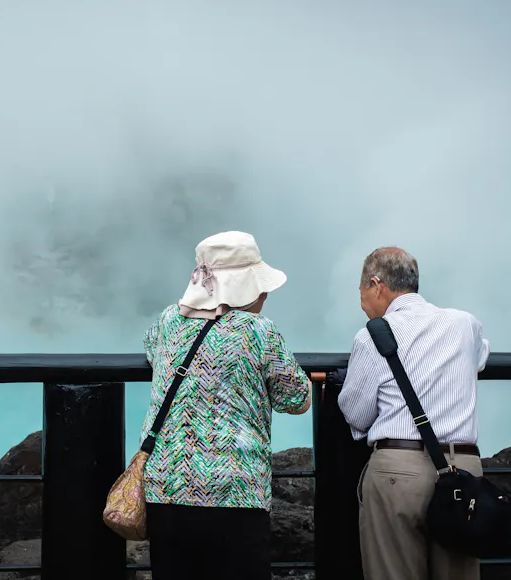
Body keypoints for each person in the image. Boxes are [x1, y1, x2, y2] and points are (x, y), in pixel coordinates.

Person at [140, 230, 311, 580]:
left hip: (166, 490)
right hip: (233, 492)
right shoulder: (259, 331)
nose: (264, 292)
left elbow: (152, 353)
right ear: (244, 286)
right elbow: (296, 399)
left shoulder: (168, 321)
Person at [338, 246, 489, 580]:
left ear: (377, 285)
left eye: (361, 290)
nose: (361, 301)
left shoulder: (371, 337)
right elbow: (479, 359)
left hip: (397, 470)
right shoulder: (466, 324)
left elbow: (357, 415)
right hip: (463, 470)